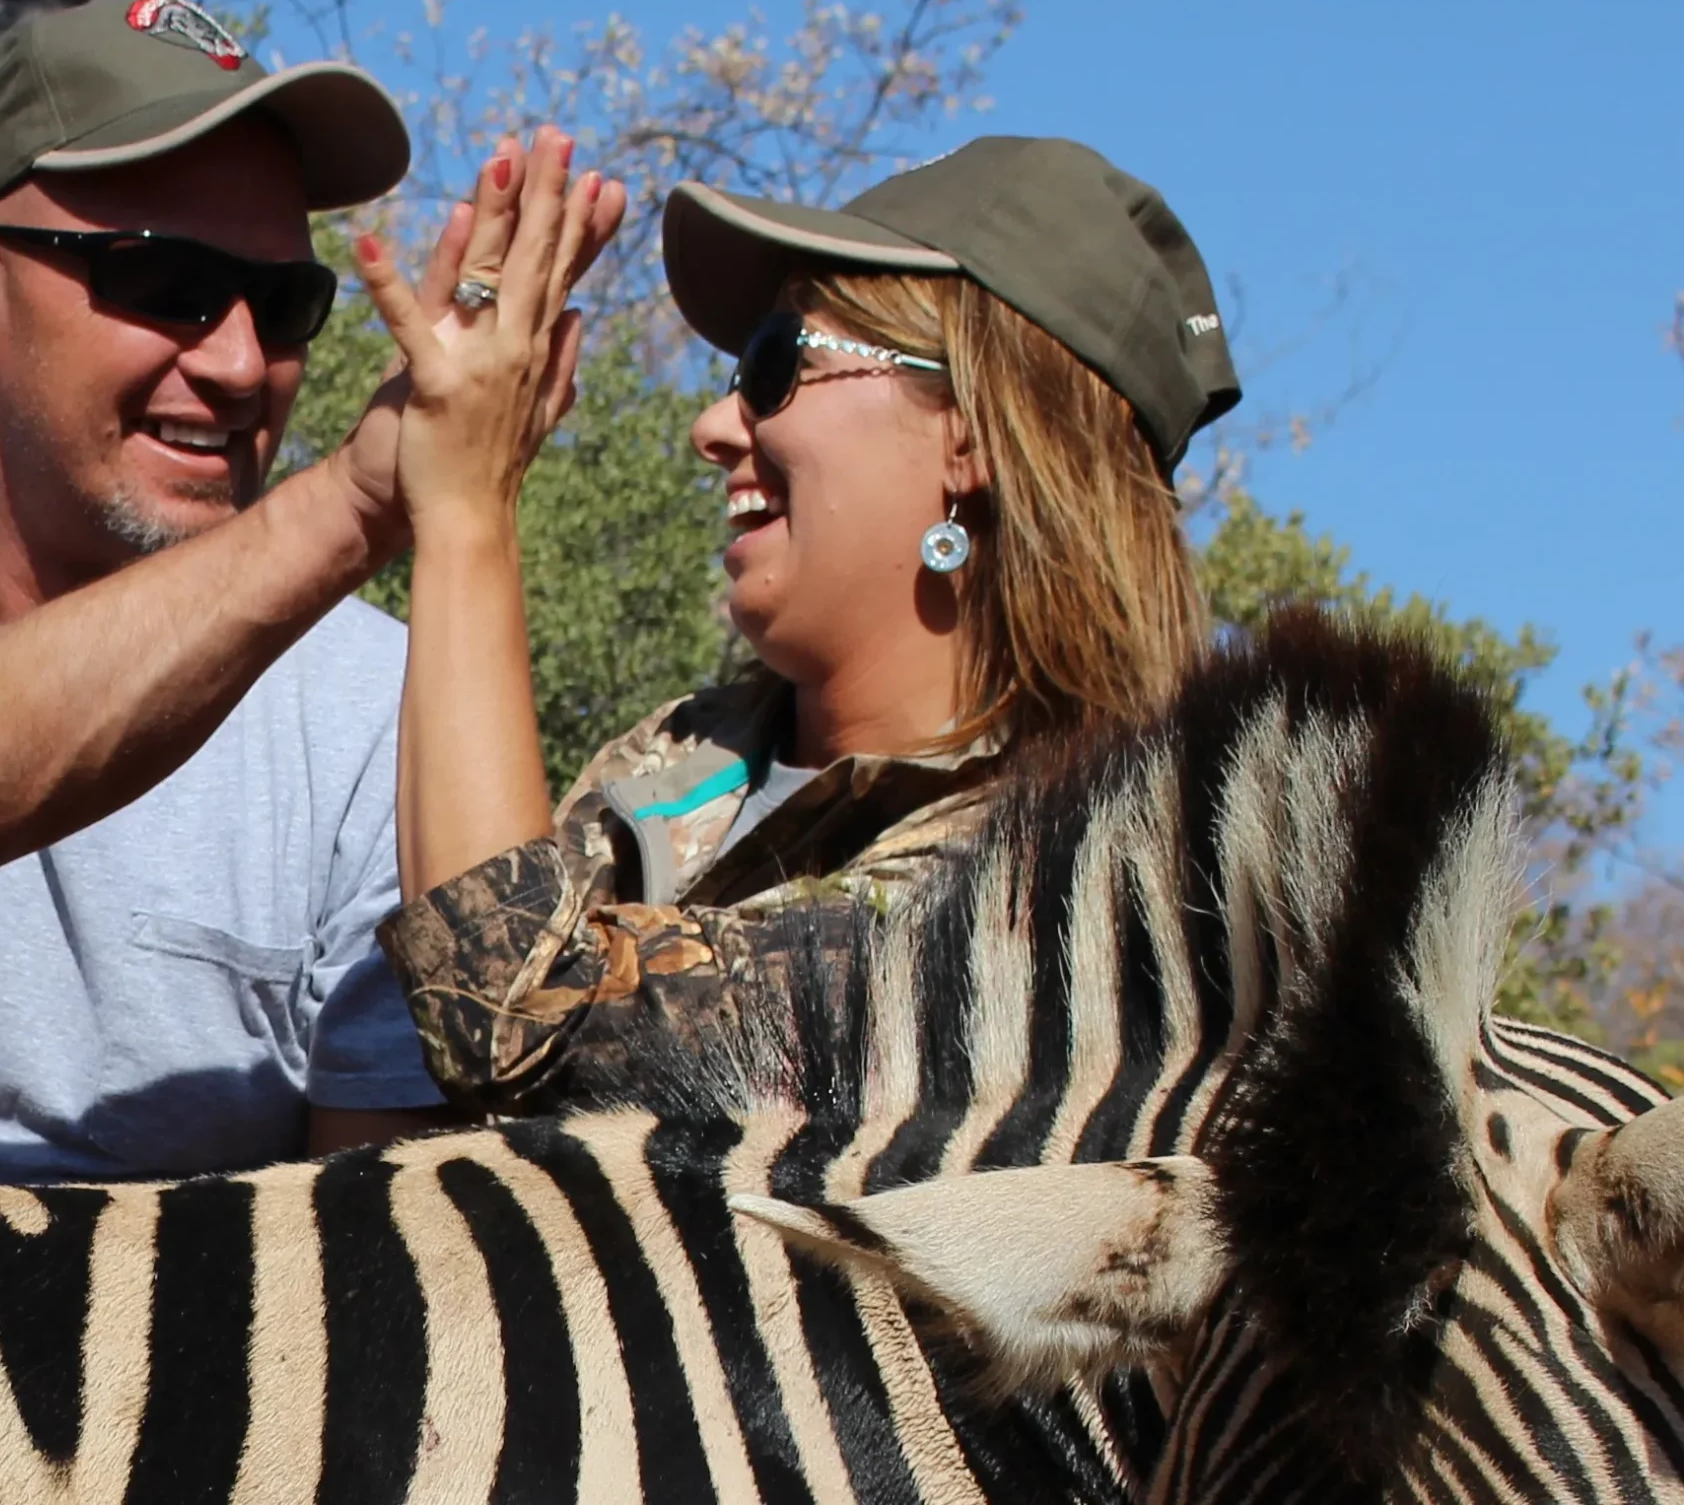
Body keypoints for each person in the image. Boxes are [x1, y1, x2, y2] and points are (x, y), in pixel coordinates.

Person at [0, 0, 619, 1182]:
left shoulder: (372, 708)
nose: (241, 363)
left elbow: (377, 1239)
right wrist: (356, 501)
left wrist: (455, 516)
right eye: (164, 283)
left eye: (284, 305)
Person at [358, 134, 1241, 1115]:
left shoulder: (1057, 876)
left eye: (775, 366)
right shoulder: (678, 757)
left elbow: (526, 1028)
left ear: (975, 433)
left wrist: (467, 507)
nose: (713, 427)